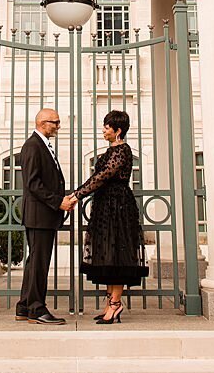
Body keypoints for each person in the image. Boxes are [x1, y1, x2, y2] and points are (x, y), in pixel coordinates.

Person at [64, 109, 148, 325]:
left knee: (118, 253)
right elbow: (96, 178)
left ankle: (115, 304)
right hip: (105, 206)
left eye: (107, 126)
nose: (103, 129)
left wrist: (76, 195)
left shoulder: (122, 151)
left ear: (118, 131)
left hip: (118, 206)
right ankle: (110, 302)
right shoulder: (110, 151)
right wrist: (78, 193)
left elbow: (101, 177)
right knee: (108, 253)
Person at [16, 107, 73, 325]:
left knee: (34, 263)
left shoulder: (42, 145)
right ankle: (36, 309)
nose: (58, 126)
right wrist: (58, 201)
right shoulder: (33, 145)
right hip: (39, 216)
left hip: (43, 215)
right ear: (42, 123)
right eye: (55, 122)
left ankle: (23, 306)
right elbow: (33, 183)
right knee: (39, 264)